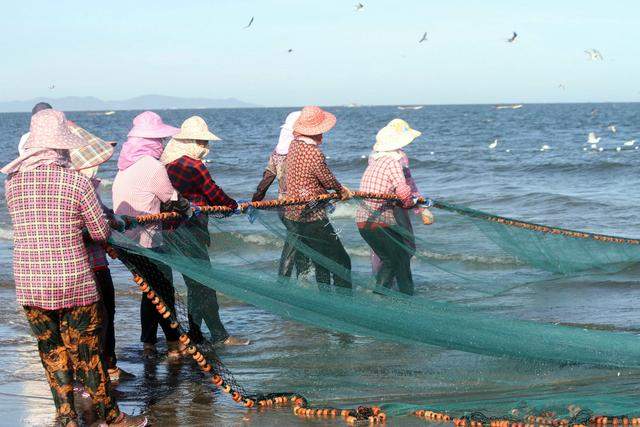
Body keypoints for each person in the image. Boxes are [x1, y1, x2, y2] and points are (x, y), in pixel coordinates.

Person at [2, 109, 146, 426]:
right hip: (73, 279)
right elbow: (99, 232)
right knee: (88, 351)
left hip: (30, 281)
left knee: (51, 350)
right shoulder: (76, 182)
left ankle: (66, 416)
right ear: (62, 146)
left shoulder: (13, 184)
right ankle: (112, 416)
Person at [161, 115, 249, 346]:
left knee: (195, 284)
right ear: (188, 142)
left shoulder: (167, 163)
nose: (205, 147)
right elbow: (213, 192)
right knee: (203, 284)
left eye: (205, 142)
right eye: (200, 143)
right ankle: (216, 336)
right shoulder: (193, 165)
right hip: (190, 230)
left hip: (168, 231)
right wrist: (234, 206)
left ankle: (196, 334)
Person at [112, 111, 188, 360]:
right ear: (152, 142)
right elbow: (171, 198)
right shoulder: (152, 166)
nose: (162, 144)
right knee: (163, 290)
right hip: (147, 241)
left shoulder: (125, 165)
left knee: (150, 291)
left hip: (125, 242)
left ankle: (148, 344)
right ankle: (174, 344)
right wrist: (188, 208)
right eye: (160, 140)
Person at [67, 122, 131, 383]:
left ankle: (94, 371)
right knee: (102, 315)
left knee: (86, 321)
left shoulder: (82, 183)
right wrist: (108, 229)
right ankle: (105, 370)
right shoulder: (80, 185)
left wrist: (113, 219)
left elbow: (101, 213)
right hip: (91, 265)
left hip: (75, 267)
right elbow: (95, 229)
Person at [284, 106, 353, 289]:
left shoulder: (294, 145)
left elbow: (309, 178)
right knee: (342, 261)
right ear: (317, 131)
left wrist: (334, 190)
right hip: (313, 216)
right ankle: (345, 303)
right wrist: (342, 191)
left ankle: (326, 298)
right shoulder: (314, 153)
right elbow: (327, 179)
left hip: (295, 215)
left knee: (321, 259)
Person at [356, 119, 427, 295]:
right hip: (380, 221)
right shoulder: (393, 161)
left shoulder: (376, 160)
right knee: (399, 259)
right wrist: (414, 204)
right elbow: (404, 191)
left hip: (363, 220)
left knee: (392, 259)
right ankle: (401, 296)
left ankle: (387, 295)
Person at [252, 111, 311, 278]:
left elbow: (266, 180)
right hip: (299, 206)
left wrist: (255, 201)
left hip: (283, 207)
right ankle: (284, 281)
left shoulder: (277, 151)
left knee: (300, 241)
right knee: (294, 240)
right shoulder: (302, 150)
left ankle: (302, 280)